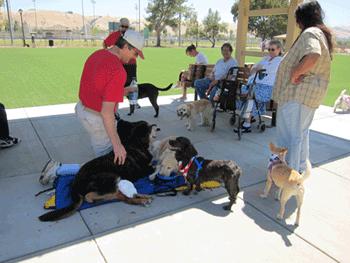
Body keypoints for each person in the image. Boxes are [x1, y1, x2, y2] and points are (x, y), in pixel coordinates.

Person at [41, 30, 145, 182]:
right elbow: (107, 112)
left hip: (83, 109)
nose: (133, 58)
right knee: (106, 165)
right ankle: (57, 170)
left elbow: (97, 87)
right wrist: (117, 145)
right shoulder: (118, 70)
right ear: (125, 47)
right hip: (97, 118)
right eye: (135, 54)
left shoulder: (97, 54)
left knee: (107, 162)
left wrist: (121, 91)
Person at [271, 0, 333, 173]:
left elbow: (313, 55)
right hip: (306, 96)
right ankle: (298, 172)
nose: (296, 23)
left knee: (290, 138)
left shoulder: (310, 33)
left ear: (302, 18)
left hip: (297, 95)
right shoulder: (320, 33)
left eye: (296, 18)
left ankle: (288, 176)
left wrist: (294, 74)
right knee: (300, 136)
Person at [234, 39, 283, 133]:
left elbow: (269, 69)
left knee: (250, 95)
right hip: (255, 84)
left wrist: (259, 68)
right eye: (269, 49)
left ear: (279, 49)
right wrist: (257, 68)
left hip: (267, 87)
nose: (270, 52)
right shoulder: (265, 59)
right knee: (242, 92)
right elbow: (253, 68)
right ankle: (248, 116)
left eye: (273, 49)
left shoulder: (280, 60)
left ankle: (246, 125)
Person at [103, 18, 137, 88]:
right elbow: (105, 43)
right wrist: (107, 52)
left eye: (126, 27)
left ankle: (132, 99)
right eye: (122, 26)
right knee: (118, 86)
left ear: (128, 27)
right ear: (119, 26)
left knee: (131, 86)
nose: (124, 28)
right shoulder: (115, 35)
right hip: (119, 65)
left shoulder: (132, 36)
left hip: (131, 64)